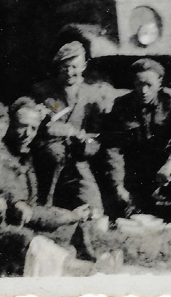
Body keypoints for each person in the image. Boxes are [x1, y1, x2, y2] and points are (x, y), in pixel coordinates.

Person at [0, 101, 122, 276]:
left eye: (0, 139)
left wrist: (15, 203)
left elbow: (3, 191)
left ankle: (82, 267)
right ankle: (85, 272)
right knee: (20, 239)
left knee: (48, 234)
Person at [100, 59, 171, 228]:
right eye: (139, 84)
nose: (144, 90)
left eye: (149, 84)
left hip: (163, 167)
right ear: (133, 83)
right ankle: (142, 206)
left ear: (159, 82)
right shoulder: (122, 106)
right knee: (129, 213)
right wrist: (117, 184)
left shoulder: (169, 99)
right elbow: (113, 148)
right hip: (136, 170)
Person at [30, 41, 115, 215]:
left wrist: (85, 144)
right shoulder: (43, 91)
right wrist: (44, 124)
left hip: (77, 157)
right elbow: (36, 123)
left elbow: (96, 135)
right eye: (64, 67)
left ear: (84, 66)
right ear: (58, 68)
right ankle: (43, 209)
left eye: (74, 67)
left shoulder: (93, 95)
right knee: (51, 166)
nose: (69, 72)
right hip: (48, 156)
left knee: (95, 209)